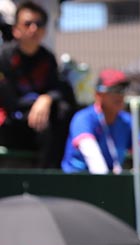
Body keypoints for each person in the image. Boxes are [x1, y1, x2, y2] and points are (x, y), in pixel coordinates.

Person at [61, 68, 140, 173]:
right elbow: (96, 165)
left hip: (107, 185)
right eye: (113, 90)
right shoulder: (83, 119)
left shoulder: (127, 121)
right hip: (77, 185)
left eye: (123, 89)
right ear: (98, 94)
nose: (120, 95)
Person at [0, 1, 75, 168]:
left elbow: (58, 88)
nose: (33, 29)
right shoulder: (4, 57)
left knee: (62, 111)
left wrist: (46, 99)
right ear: (16, 29)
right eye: (27, 24)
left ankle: (53, 174)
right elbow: (9, 101)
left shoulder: (47, 58)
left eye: (38, 24)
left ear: (44, 31)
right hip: (10, 125)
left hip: (39, 125)